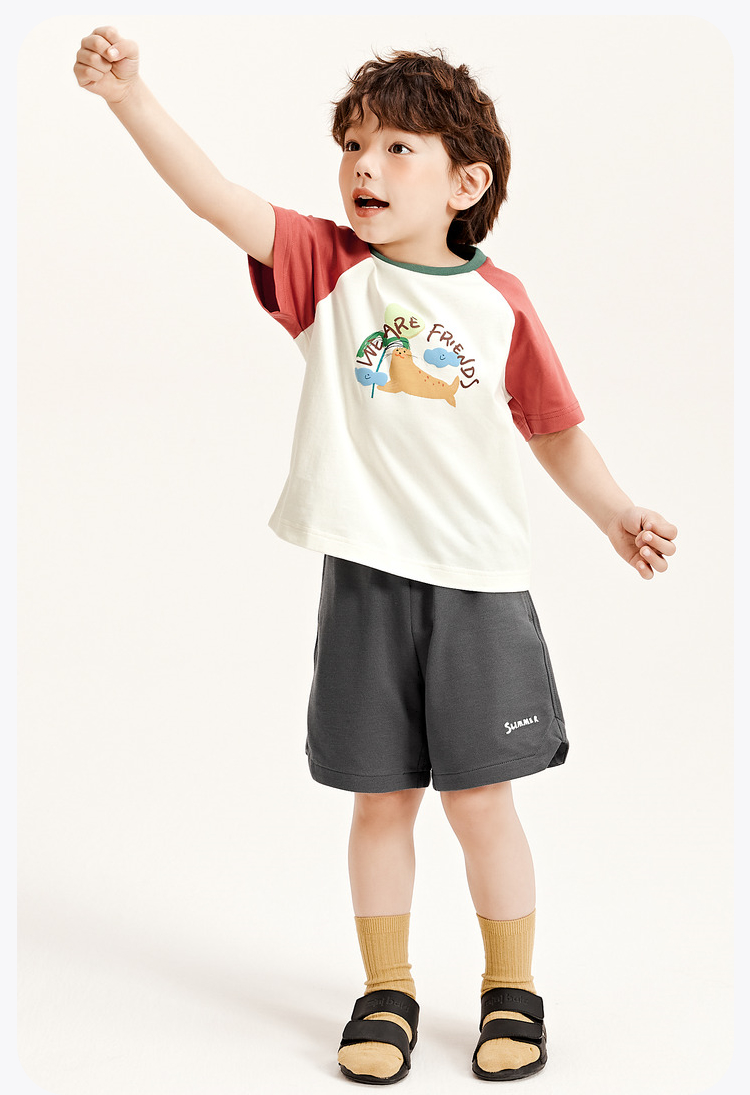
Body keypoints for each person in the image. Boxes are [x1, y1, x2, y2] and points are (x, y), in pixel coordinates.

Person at [74, 27, 678, 1085]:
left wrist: (617, 512)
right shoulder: (329, 270)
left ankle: (511, 990)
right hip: (364, 583)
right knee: (381, 800)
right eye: (354, 144)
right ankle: (387, 988)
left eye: (399, 147)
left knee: (481, 803)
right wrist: (130, 99)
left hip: (479, 589)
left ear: (466, 183)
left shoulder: (500, 302)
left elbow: (553, 430)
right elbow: (214, 197)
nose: (365, 164)